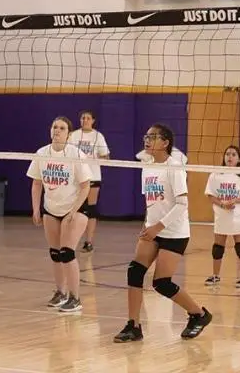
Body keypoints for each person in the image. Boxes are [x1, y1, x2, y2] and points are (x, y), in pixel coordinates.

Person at [114, 124, 212, 343]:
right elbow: (151, 202)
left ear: (165, 143)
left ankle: (199, 314)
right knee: (135, 271)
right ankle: (134, 326)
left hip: (174, 232)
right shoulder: (147, 167)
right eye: (146, 136)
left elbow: (182, 204)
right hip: (153, 228)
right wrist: (147, 224)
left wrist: (158, 226)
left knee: (161, 283)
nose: (147, 140)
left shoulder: (174, 167)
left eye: (153, 137)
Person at [27, 116, 92, 313]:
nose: (57, 130)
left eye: (62, 128)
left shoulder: (76, 154)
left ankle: (75, 298)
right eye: (54, 126)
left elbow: (85, 185)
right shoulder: (42, 153)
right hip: (51, 208)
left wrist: (73, 211)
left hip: (75, 208)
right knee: (55, 253)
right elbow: (37, 183)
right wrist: (36, 208)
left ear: (68, 134)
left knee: (67, 252)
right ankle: (60, 292)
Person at [204, 145, 240, 288]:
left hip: (238, 218)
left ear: (239, 159)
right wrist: (222, 204)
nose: (230, 157)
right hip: (221, 216)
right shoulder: (216, 174)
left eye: (233, 154)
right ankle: (215, 276)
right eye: (227, 154)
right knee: (218, 247)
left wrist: (233, 201)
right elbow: (210, 195)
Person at [68, 110, 110, 253]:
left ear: (93, 120)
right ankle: (71, 241)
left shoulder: (98, 136)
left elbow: (106, 157)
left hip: (93, 176)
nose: (85, 120)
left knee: (90, 209)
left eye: (88, 118)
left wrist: (92, 160)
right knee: (75, 208)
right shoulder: (73, 135)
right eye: (82, 118)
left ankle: (89, 242)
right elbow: (66, 154)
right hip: (76, 178)